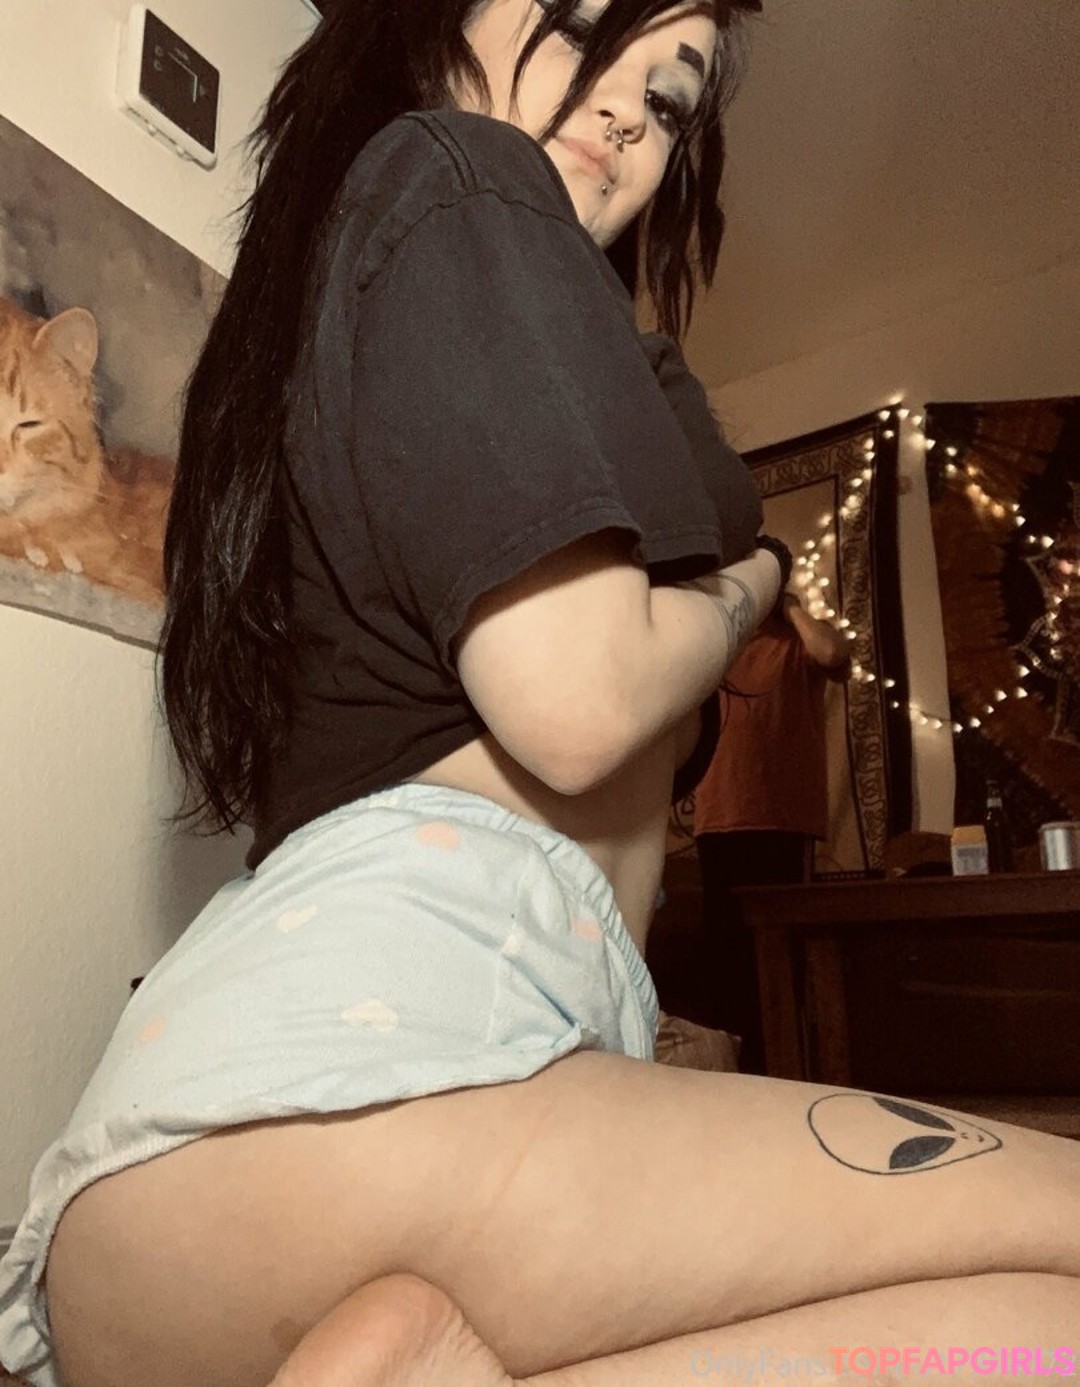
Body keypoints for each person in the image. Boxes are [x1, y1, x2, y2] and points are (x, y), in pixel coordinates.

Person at [1, 3, 1078, 1385]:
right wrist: (754, 578)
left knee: (1022, 1339)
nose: (628, 108)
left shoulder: (478, 310)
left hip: (250, 1165)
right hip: (370, 1078)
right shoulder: (458, 171)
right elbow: (578, 699)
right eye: (580, 24)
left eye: (671, 100)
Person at [690, 588, 851, 1070]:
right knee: (728, 960)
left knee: (786, 957)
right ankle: (739, 1073)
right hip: (719, 820)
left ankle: (788, 1067)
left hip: (783, 820)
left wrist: (793, 608)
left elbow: (834, 654)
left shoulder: (797, 641)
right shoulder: (715, 647)